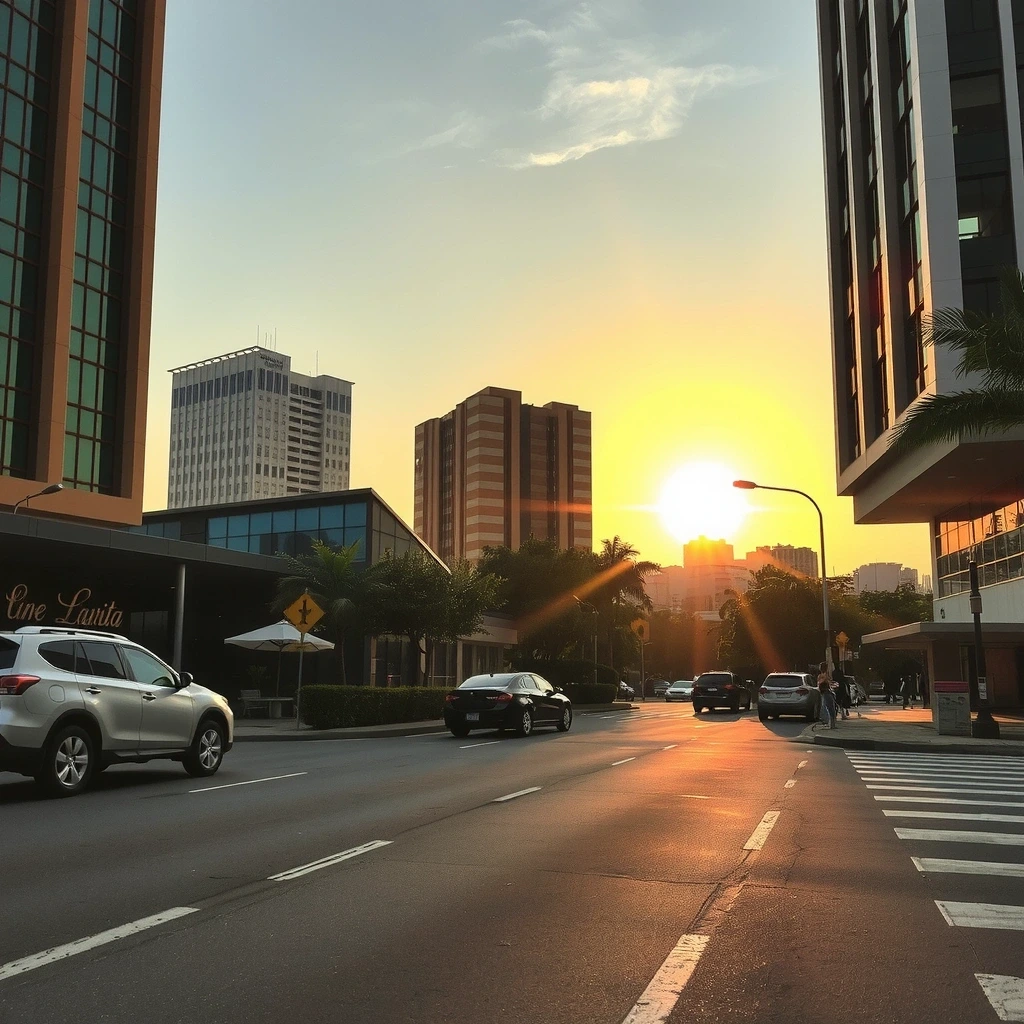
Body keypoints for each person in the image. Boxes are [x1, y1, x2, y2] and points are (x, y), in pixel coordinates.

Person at [817, 662, 837, 729]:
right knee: (829, 708)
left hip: (826, 693)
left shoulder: (823, 675)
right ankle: (831, 724)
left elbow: (822, 683)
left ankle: (831, 724)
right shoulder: (823, 675)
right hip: (825, 693)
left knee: (829, 708)